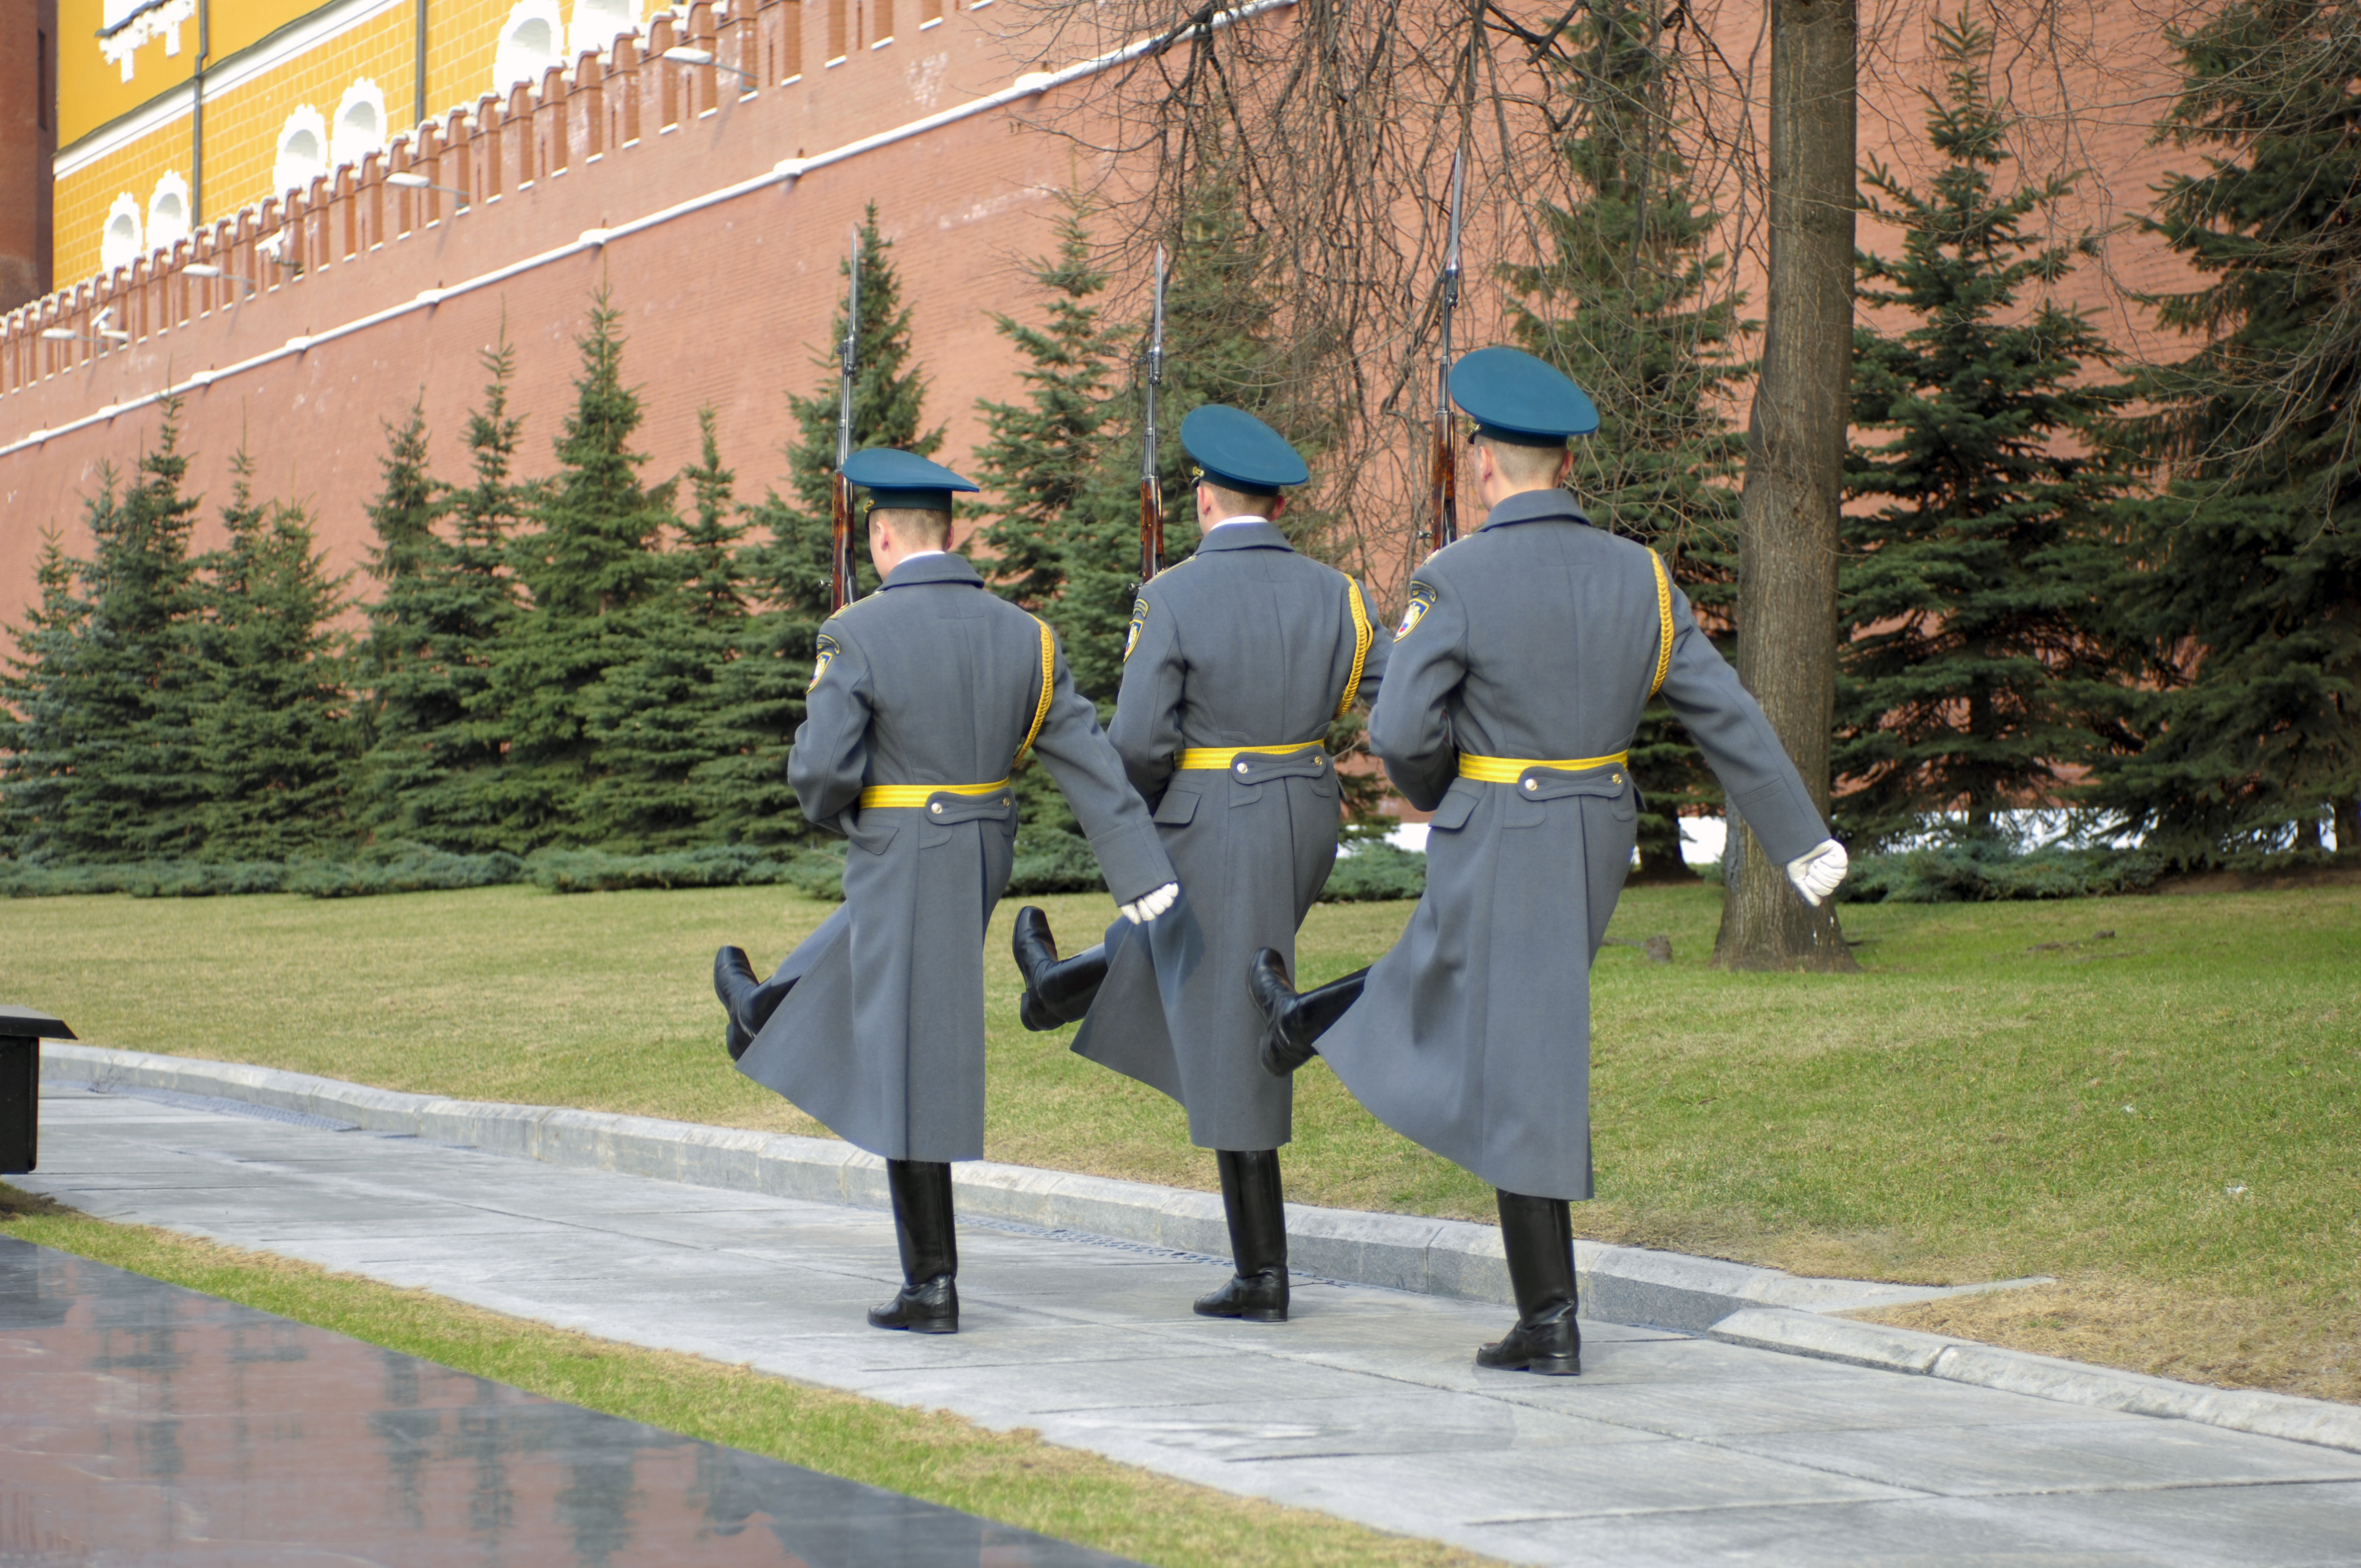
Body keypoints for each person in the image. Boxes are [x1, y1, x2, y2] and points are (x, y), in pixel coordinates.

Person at [1247, 347, 1850, 1376]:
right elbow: (1726, 714)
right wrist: (1803, 839)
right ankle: (1310, 1022)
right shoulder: (1641, 575)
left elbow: (1398, 730)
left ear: (1486, 463)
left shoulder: (1457, 576)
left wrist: (1443, 795)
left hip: (1505, 823)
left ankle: (1550, 1320)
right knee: (1481, 1003)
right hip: (1598, 826)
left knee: (1520, 1054)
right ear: (1565, 465)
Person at [714, 448, 1180, 1336]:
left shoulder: (857, 632)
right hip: (979, 845)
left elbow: (819, 776)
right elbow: (1088, 762)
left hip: (903, 847)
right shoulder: (1027, 635)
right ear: (951, 533)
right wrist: (1141, 874)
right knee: (884, 996)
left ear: (882, 537)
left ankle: (931, 1286)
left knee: (908, 1052)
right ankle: (761, 1006)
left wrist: (850, 810)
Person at [1009, 406, 1389, 1325]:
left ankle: (1262, 1277)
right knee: (1206, 968)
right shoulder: (1337, 592)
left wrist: (1135, 811)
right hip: (1305, 809)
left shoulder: (1172, 594)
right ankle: (1058, 985)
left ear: (1206, 497)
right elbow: (1389, 705)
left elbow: (1139, 738)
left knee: (1231, 1020)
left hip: (1218, 809)